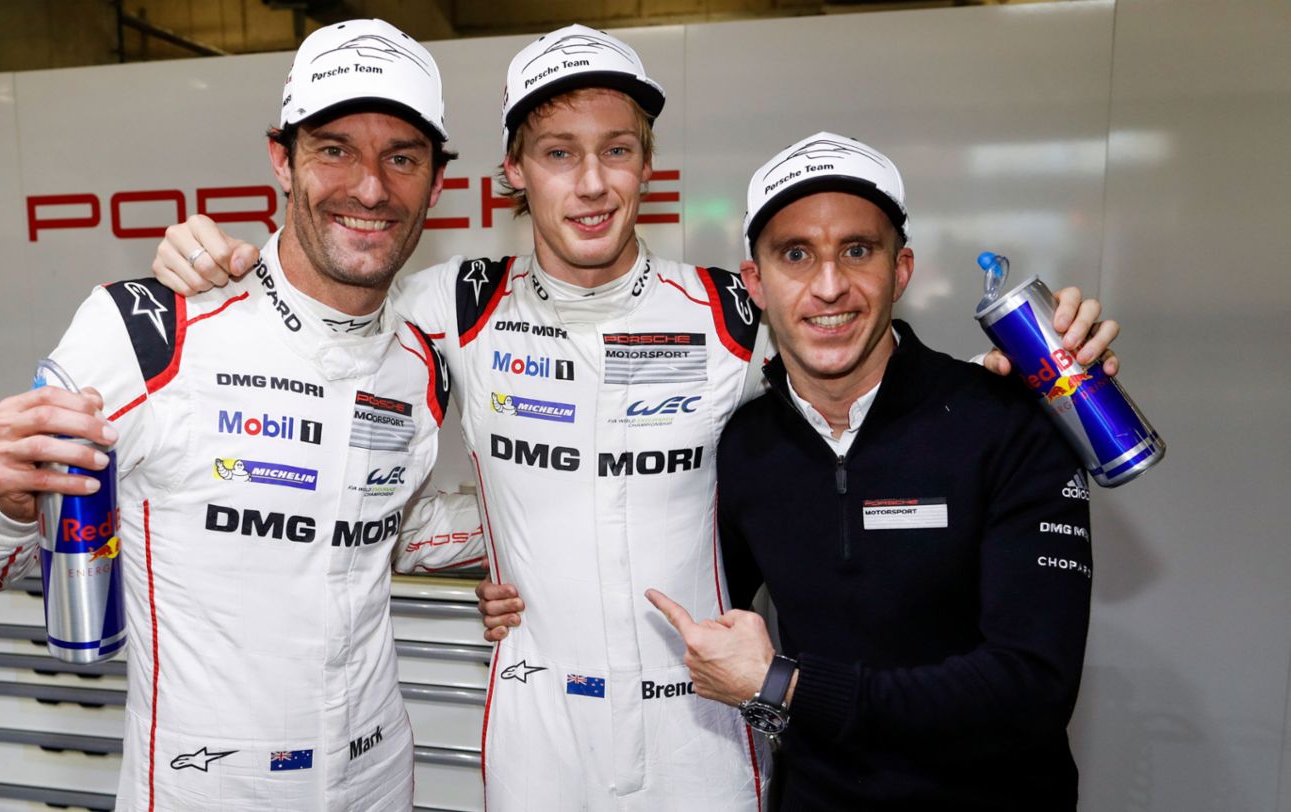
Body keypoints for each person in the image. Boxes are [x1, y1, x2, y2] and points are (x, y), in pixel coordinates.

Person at [151, 26, 1117, 811]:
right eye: (560, 154)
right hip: (537, 733)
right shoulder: (453, 302)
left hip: (701, 726)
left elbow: (855, 360)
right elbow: (321, 360)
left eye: (618, 152)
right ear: (512, 175)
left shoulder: (731, 311)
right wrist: (212, 264)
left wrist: (1027, 376)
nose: (594, 182)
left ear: (649, 167)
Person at [0, 19, 481, 810]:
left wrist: (527, 540)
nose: (369, 187)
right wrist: (5, 497)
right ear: (282, 162)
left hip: (378, 779)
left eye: (401, 157)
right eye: (334, 149)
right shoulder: (151, 328)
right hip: (208, 788)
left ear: (436, 183)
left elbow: (377, 530)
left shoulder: (419, 363)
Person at [647, 133, 1096, 810]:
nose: (830, 287)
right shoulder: (745, 445)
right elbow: (702, 615)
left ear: (901, 270)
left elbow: (1031, 689)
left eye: (857, 250)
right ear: (757, 283)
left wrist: (787, 687)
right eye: (796, 254)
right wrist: (515, 595)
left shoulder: (1008, 422)